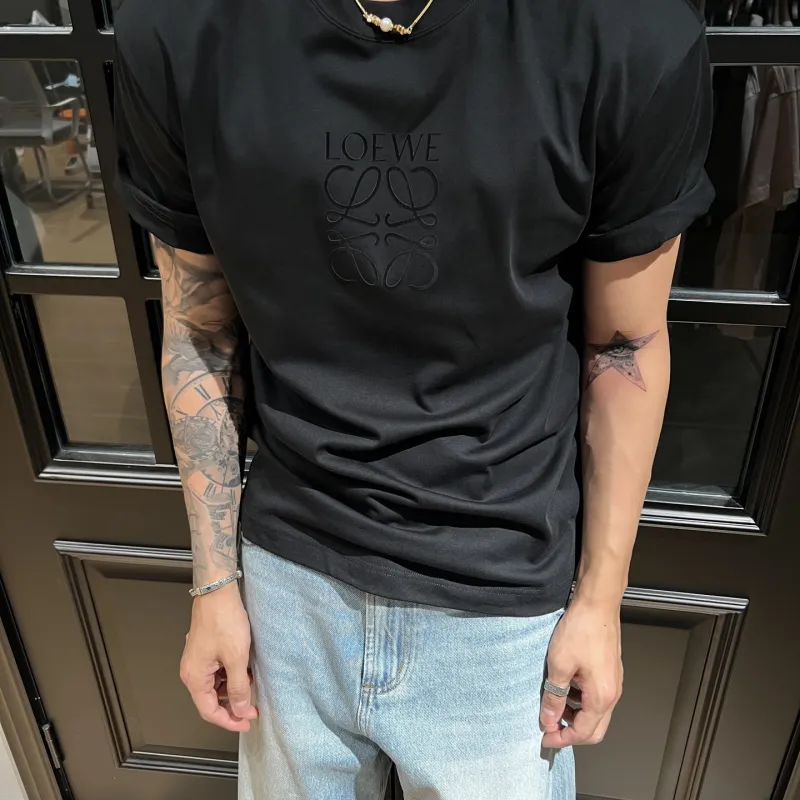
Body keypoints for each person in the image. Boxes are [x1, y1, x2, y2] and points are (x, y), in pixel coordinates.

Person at [113, 0, 714, 797]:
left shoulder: (626, 34)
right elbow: (200, 328)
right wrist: (214, 585)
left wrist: (600, 604)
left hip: (501, 605)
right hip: (288, 581)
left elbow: (624, 345)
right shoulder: (179, 27)